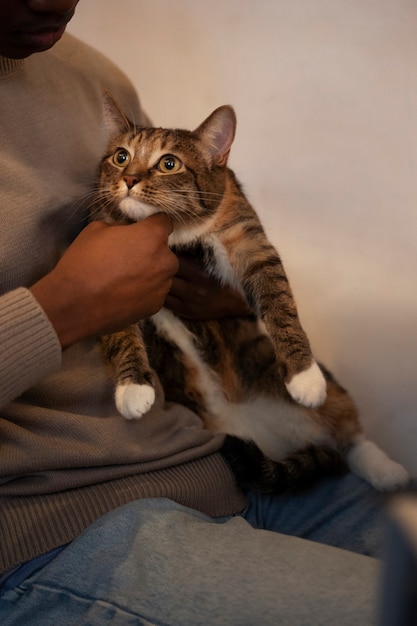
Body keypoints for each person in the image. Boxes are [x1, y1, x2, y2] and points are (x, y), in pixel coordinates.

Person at [0, 1, 390, 624]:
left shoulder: (87, 72)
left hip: (216, 457)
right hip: (55, 527)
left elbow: (188, 220)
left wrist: (239, 297)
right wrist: (58, 311)